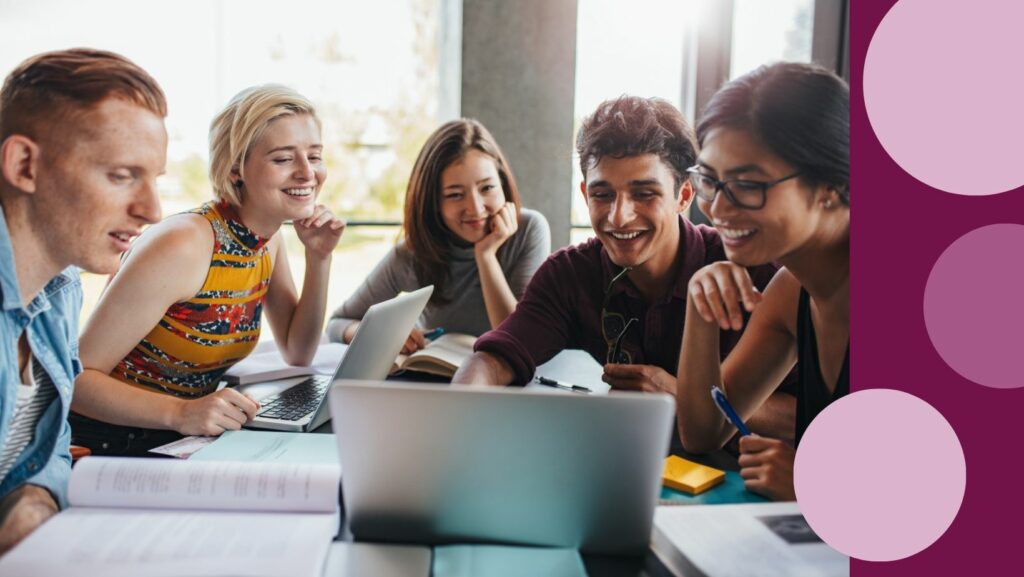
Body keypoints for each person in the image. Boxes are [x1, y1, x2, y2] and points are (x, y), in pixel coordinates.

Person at [452, 96, 794, 442]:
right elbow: (493, 359)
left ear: (684, 195)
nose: (619, 217)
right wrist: (457, 421)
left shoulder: (756, 272)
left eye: (644, 194)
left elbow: (812, 415)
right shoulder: (569, 273)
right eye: (602, 195)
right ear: (585, 194)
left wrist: (680, 395)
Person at [69, 84, 345, 455]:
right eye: (283, 159)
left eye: (314, 156)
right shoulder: (184, 243)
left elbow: (298, 351)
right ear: (236, 169)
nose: (306, 173)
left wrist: (319, 257)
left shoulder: (267, 238)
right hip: (110, 443)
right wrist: (183, 412)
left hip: (181, 438)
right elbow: (77, 380)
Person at [0, 49, 167, 553]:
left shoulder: (61, 286)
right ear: (24, 165)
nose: (152, 211)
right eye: (121, 175)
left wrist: (33, 501)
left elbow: (45, 454)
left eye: (153, 179)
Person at [676, 62, 849, 501]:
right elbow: (703, 433)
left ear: (831, 184)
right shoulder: (792, 291)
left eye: (747, 185)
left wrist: (825, 487)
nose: (717, 209)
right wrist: (701, 310)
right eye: (710, 182)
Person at [326, 119, 550, 353]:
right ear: (433, 203)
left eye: (487, 188)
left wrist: (486, 255)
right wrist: (382, 335)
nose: (475, 208)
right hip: (435, 381)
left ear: (502, 184)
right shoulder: (413, 253)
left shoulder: (529, 229)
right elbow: (337, 324)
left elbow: (517, 338)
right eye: (455, 195)